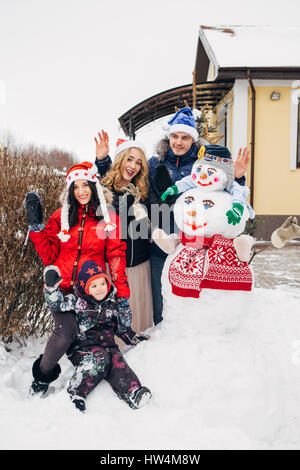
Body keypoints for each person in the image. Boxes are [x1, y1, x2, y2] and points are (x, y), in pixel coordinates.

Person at [26, 161, 131, 396]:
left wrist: (121, 294)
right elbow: (49, 256)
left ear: (94, 186)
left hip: (92, 292)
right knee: (65, 331)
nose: (81, 191)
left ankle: (96, 378)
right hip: (62, 289)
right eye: (76, 187)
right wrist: (37, 228)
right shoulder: (59, 217)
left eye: (86, 185)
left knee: (94, 340)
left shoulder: (108, 217)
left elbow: (115, 254)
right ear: (70, 191)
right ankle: (41, 379)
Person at [42, 260, 151, 412]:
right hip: (82, 349)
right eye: (94, 286)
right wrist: (51, 289)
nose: (100, 289)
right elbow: (58, 304)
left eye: (102, 284)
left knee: (117, 360)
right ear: (85, 288)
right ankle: (76, 391)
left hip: (108, 346)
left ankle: (133, 391)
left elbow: (121, 329)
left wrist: (133, 338)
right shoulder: (77, 301)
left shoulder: (111, 304)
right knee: (100, 358)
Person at [94, 135, 153, 333]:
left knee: (138, 318)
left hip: (139, 264)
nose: (133, 165)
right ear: (120, 160)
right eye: (129, 159)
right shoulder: (103, 189)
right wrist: (102, 162)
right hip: (114, 266)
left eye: (138, 162)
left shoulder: (142, 190)